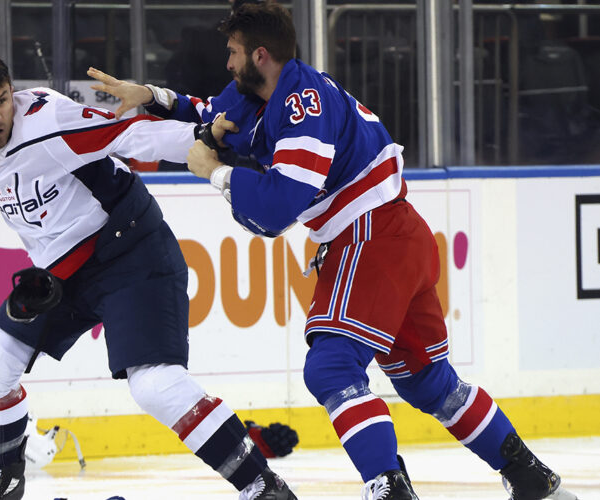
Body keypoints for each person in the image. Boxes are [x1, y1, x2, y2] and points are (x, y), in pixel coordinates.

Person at [88, 4, 580, 500]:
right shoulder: (262, 91)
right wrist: (150, 95)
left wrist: (215, 174)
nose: (228, 63)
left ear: (260, 55)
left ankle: (389, 489)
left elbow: (278, 209)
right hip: (394, 235)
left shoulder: (304, 106)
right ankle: (532, 477)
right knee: (429, 383)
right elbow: (210, 113)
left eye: (234, 53)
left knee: (331, 368)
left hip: (372, 238)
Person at [0, 52, 296, 500]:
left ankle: (262, 485)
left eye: (2, 100)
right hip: (62, 273)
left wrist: (205, 137)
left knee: (156, 386)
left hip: (130, 249)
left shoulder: (46, 118)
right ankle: (2, 479)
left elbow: (129, 134)